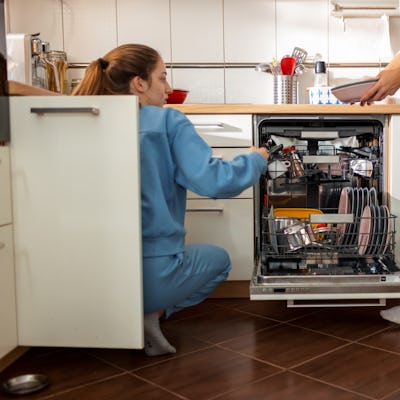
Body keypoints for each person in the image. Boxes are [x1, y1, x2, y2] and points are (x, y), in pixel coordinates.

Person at [72, 44, 269, 356]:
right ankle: (150, 312)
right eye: (162, 77)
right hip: (151, 276)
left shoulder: (79, 121)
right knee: (220, 261)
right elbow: (214, 180)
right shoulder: (166, 122)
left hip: (85, 275)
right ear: (139, 83)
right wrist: (256, 160)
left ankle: (124, 319)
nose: (169, 87)